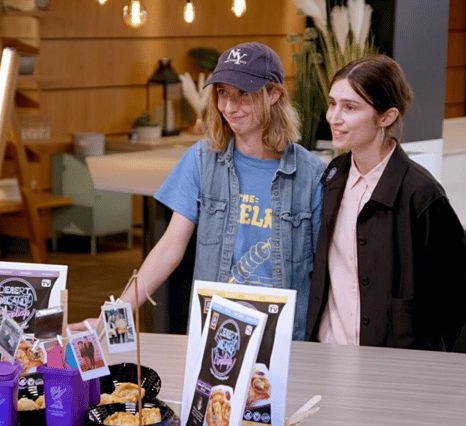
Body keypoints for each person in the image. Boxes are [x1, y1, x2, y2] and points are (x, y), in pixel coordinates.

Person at [78, 42, 326, 340]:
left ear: (273, 94)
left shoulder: (311, 175)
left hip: (284, 338)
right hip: (215, 332)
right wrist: (115, 315)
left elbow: (327, 272)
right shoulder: (202, 160)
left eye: (243, 95)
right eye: (222, 93)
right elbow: (169, 247)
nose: (229, 108)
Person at [306, 55, 466, 350]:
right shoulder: (331, 179)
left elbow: (452, 300)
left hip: (391, 366)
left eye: (350, 107)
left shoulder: (422, 194)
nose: (334, 117)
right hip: (327, 353)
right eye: (332, 103)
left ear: (386, 117)